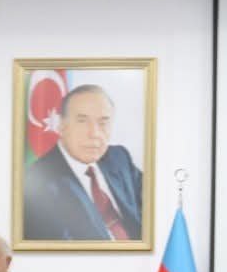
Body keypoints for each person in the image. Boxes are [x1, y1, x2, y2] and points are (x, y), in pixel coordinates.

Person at [22, 84, 143, 242]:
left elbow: (156, 208)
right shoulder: (39, 184)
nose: (94, 133)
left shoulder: (119, 158)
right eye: (82, 121)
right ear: (61, 126)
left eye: (103, 123)